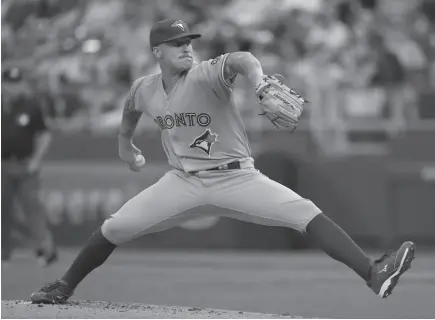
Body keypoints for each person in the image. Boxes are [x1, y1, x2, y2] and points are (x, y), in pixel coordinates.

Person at [30, 19, 415, 304]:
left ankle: (373, 273)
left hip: (237, 178)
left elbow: (243, 59)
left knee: (306, 212)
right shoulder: (143, 89)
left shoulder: (205, 75)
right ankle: (64, 285)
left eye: (188, 41)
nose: (186, 47)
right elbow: (130, 113)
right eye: (175, 42)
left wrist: (260, 81)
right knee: (116, 227)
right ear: (156, 52)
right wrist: (125, 146)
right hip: (182, 181)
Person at [1, 67, 58, 266]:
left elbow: (44, 134)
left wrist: (36, 159)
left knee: (32, 207)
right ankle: (3, 252)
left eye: (17, 83)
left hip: (25, 164)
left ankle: (44, 249)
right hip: (3, 164)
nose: (13, 88)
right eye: (9, 83)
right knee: (3, 209)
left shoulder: (31, 105)